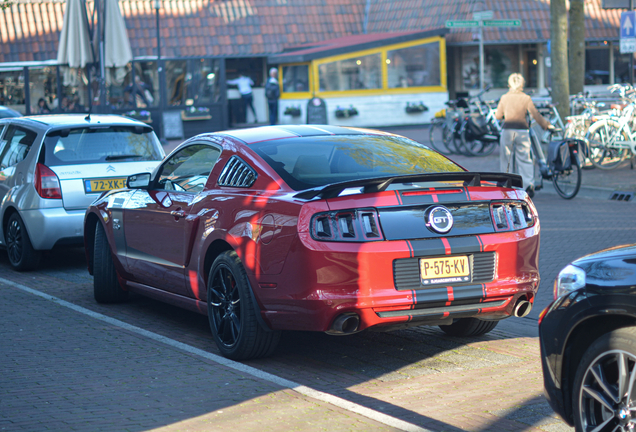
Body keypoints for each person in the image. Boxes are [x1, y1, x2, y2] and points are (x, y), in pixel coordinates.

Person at [495, 73, 554, 198]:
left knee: (507, 160)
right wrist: (546, 125)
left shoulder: (504, 98)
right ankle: (528, 185)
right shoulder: (526, 98)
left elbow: (498, 116)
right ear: (522, 84)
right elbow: (535, 114)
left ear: (509, 84)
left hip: (508, 131)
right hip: (522, 131)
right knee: (525, 159)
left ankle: (507, 186)